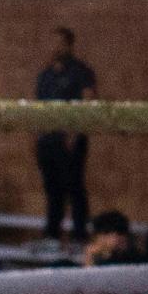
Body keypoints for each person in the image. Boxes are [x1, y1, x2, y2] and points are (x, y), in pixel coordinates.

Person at [35, 26, 97, 246]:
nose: (55, 47)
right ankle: (52, 236)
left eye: (59, 43)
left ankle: (80, 236)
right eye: (52, 43)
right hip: (48, 141)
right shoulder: (45, 75)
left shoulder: (81, 72)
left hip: (69, 141)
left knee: (74, 187)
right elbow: (38, 108)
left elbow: (88, 103)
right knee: (52, 189)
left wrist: (74, 133)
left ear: (69, 45)